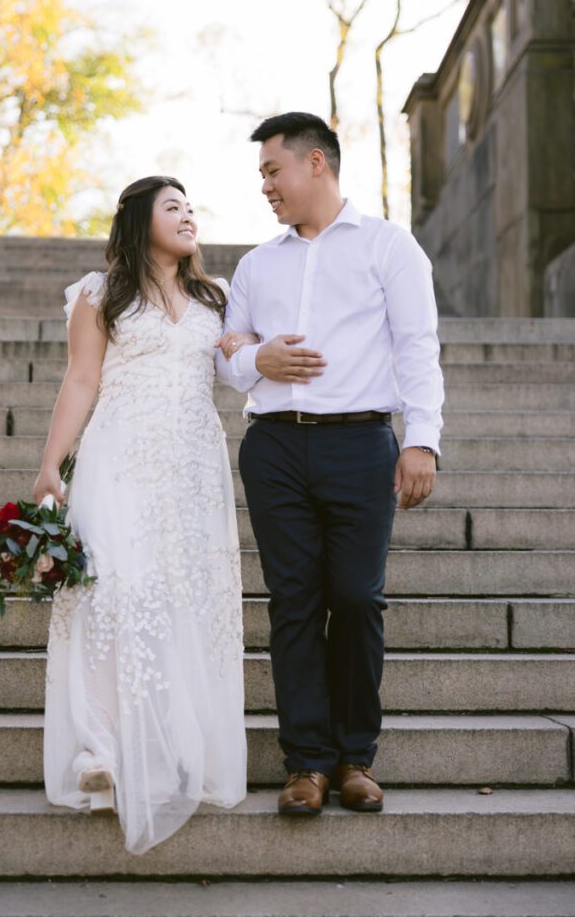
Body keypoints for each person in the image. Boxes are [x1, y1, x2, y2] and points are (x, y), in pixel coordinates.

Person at [215, 112, 444, 817]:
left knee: (355, 597)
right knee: (291, 602)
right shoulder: (257, 264)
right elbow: (227, 352)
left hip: (360, 443)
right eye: (261, 176)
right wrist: (260, 360)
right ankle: (306, 763)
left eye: (271, 171)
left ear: (316, 163)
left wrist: (421, 439)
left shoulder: (387, 247)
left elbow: (416, 345)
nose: (265, 187)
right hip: (274, 447)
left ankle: (355, 757)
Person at [33, 176, 255, 855]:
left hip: (192, 469)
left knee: (179, 599)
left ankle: (166, 746)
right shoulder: (100, 294)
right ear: (139, 220)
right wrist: (51, 466)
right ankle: (98, 746)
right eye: (172, 208)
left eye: (192, 207)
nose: (188, 216)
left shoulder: (214, 300)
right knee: (110, 592)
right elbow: (80, 379)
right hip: (119, 459)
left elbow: (237, 366)